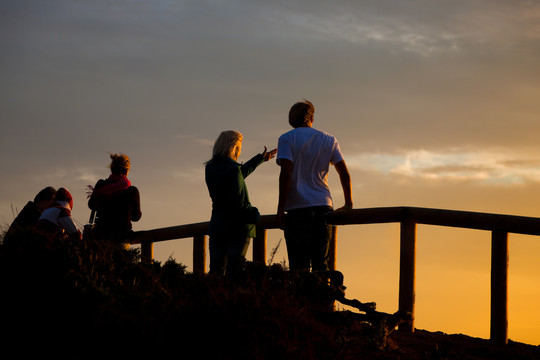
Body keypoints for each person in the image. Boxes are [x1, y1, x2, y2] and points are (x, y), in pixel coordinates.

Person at [277, 100, 353, 272]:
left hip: (297, 209)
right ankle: (322, 298)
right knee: (321, 266)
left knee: (298, 268)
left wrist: (280, 208)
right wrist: (348, 204)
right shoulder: (329, 139)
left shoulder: (287, 139)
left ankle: (301, 299)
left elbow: (286, 175)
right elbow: (344, 174)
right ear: (311, 117)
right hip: (322, 206)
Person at [205, 130, 277, 275]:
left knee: (216, 274)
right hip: (237, 229)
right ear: (234, 146)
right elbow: (239, 202)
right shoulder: (233, 169)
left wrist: (260, 159)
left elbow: (236, 175)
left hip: (217, 227)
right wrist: (254, 214)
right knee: (234, 273)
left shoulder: (211, 167)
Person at [88, 153, 142, 244]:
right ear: (126, 170)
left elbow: (91, 204)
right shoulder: (132, 191)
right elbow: (136, 217)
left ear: (112, 169)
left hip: (101, 236)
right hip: (122, 237)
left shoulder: (101, 185)